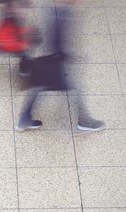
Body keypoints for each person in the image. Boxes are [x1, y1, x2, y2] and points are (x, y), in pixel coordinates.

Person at [16, 0, 105, 132]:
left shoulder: (48, 9)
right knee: (76, 89)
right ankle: (84, 121)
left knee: (38, 88)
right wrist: (73, 56)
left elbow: (38, 36)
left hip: (43, 61)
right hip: (55, 65)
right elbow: (59, 45)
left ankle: (23, 120)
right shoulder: (63, 14)